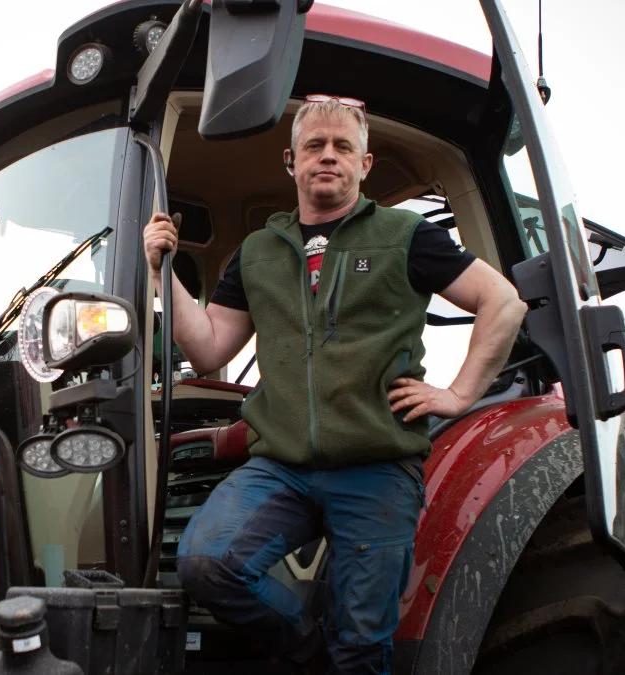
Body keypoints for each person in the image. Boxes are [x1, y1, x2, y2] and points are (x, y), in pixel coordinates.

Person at [143, 95, 529, 673]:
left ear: (364, 164)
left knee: (365, 643)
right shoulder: (257, 254)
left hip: (376, 466)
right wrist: (162, 272)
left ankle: (344, 654)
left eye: (343, 147)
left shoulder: (405, 235)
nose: (328, 156)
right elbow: (207, 349)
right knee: (206, 562)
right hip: (281, 466)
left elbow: (501, 300)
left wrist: (459, 394)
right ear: (291, 161)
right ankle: (310, 653)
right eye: (315, 146)